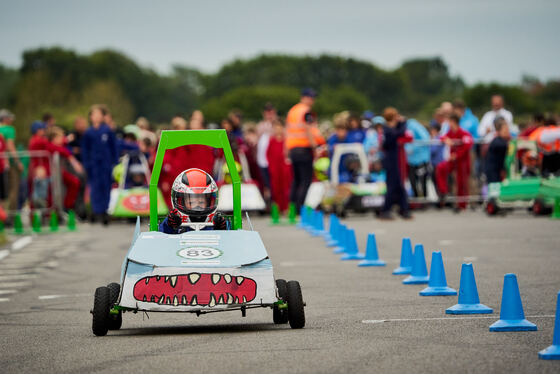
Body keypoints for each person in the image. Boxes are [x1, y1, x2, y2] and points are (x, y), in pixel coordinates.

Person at [285, 88, 325, 212]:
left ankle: (292, 206)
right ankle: (299, 208)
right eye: (311, 98)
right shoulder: (306, 112)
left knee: (296, 180)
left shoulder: (293, 111)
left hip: (293, 149)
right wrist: (315, 147)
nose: (312, 101)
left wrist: (286, 151)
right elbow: (308, 130)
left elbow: (288, 131)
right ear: (304, 97)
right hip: (304, 149)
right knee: (305, 180)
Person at [159, 168, 229, 234]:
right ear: (181, 201)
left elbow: (229, 237)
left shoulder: (214, 222)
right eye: (191, 203)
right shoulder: (175, 222)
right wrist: (170, 225)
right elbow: (162, 234)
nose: (197, 206)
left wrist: (221, 229)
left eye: (201, 202)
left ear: (208, 202)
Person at [81, 105, 118, 224]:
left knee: (106, 186)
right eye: (94, 114)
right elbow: (85, 149)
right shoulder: (88, 132)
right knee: (94, 187)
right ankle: (95, 210)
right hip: (93, 164)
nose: (96, 117)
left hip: (105, 164)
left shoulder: (107, 130)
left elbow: (114, 147)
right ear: (91, 117)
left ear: (103, 116)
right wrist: (86, 163)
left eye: (98, 114)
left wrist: (114, 161)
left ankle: (104, 210)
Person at [435, 114, 473, 210]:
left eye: (450, 122)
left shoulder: (463, 133)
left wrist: (457, 155)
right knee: (441, 168)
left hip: (462, 161)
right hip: (453, 160)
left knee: (462, 183)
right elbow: (441, 137)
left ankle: (462, 205)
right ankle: (444, 191)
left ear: (454, 122)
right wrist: (445, 140)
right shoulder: (450, 132)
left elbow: (468, 145)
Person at [379, 107, 411, 220]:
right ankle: (385, 210)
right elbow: (400, 133)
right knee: (392, 186)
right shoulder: (387, 130)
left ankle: (404, 209)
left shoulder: (389, 129)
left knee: (399, 186)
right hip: (391, 161)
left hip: (395, 160)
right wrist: (404, 122)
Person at [266, 119, 292, 212]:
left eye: (279, 127)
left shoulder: (286, 140)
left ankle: (286, 207)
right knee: (276, 188)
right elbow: (268, 154)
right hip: (275, 168)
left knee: (286, 187)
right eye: (276, 128)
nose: (278, 130)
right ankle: (277, 207)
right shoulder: (272, 141)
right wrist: (271, 167)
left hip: (284, 167)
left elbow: (289, 155)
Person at [0, 109, 23, 212]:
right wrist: (18, 161)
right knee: (13, 189)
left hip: (2, 164)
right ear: (5, 119)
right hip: (9, 163)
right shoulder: (9, 129)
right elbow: (10, 146)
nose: (11, 120)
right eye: (10, 118)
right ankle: (11, 215)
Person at [405, 119, 430, 198]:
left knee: (422, 181)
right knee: (412, 180)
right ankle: (417, 200)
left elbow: (426, 139)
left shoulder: (414, 125)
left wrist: (412, 148)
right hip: (411, 160)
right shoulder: (405, 128)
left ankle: (424, 201)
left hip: (422, 160)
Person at [485, 118, 510, 183]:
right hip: (492, 171)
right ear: (499, 131)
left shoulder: (502, 140)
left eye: (507, 130)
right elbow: (504, 146)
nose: (507, 132)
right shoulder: (497, 141)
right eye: (505, 130)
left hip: (497, 171)